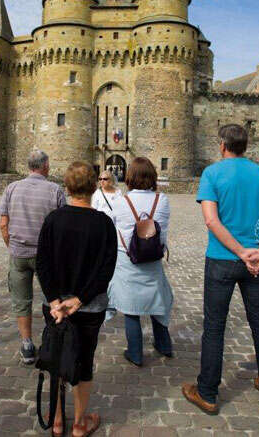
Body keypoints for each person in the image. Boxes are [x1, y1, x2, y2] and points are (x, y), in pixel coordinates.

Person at [182, 124, 259, 414]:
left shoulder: (212, 174)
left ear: (222, 145)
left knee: (214, 327)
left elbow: (212, 221)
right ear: (245, 145)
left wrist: (241, 252)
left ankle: (208, 393)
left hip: (222, 259)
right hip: (256, 263)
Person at [36, 161, 117, 437]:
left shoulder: (53, 220)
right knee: (84, 360)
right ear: (94, 187)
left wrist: (55, 300)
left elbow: (42, 263)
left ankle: (58, 419)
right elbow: (107, 268)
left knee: (58, 359)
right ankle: (80, 423)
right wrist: (80, 300)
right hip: (90, 306)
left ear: (67, 187)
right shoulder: (104, 224)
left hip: (56, 307)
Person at [0, 149, 66, 364]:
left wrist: (12, 246)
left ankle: (27, 344)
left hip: (18, 253)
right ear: (45, 166)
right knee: (51, 297)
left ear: (29, 166)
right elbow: (61, 226)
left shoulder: (12, 188)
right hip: (45, 255)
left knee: (21, 301)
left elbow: (3, 224)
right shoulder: (55, 190)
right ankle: (52, 341)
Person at [107, 157, 173, 367]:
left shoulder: (120, 202)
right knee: (157, 301)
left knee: (131, 307)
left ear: (129, 177)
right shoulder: (161, 200)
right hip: (152, 258)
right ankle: (164, 344)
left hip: (127, 260)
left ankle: (135, 353)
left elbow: (113, 227)